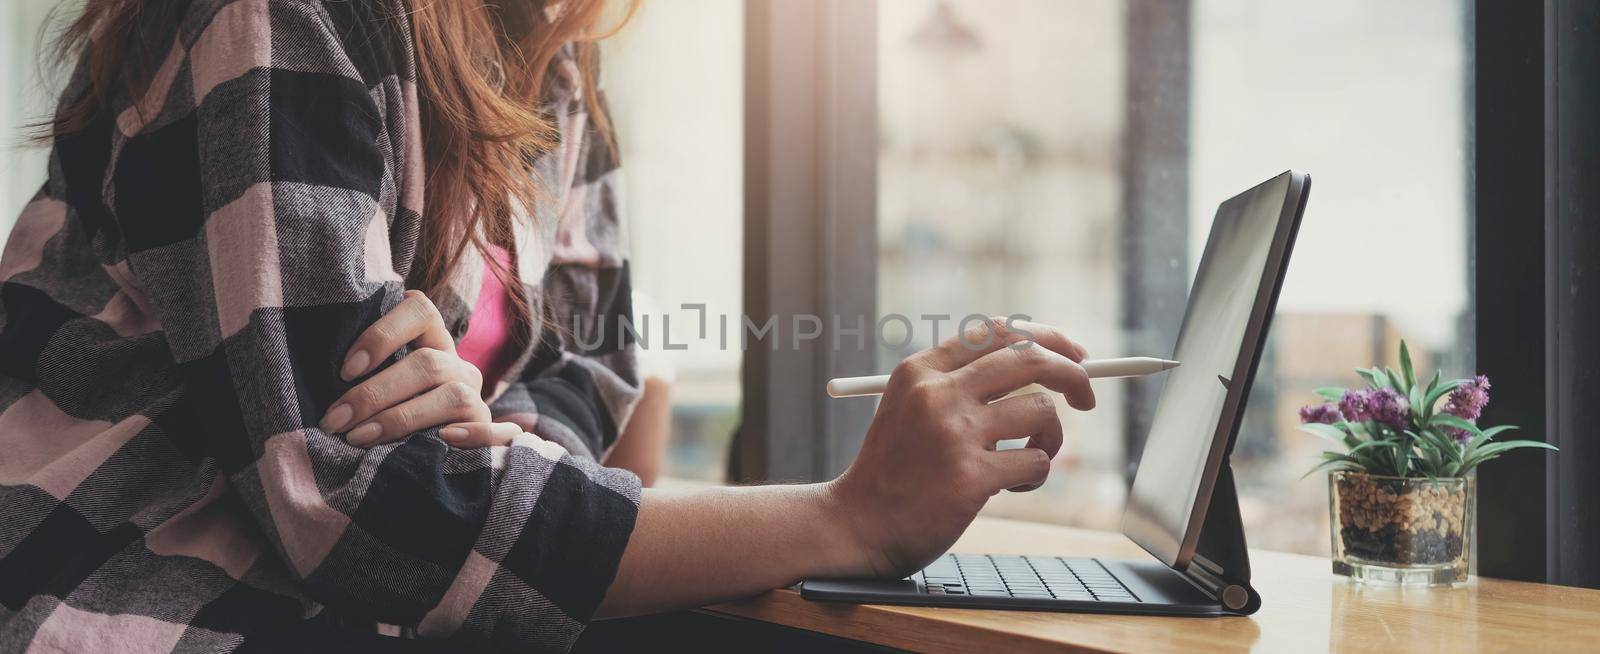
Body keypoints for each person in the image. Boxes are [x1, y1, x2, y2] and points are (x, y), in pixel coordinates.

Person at [0, 0, 1096, 651]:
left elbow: (591, 360)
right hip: (132, 606)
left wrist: (480, 432)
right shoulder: (277, 18)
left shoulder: (556, 54)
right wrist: (855, 517)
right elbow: (345, 504)